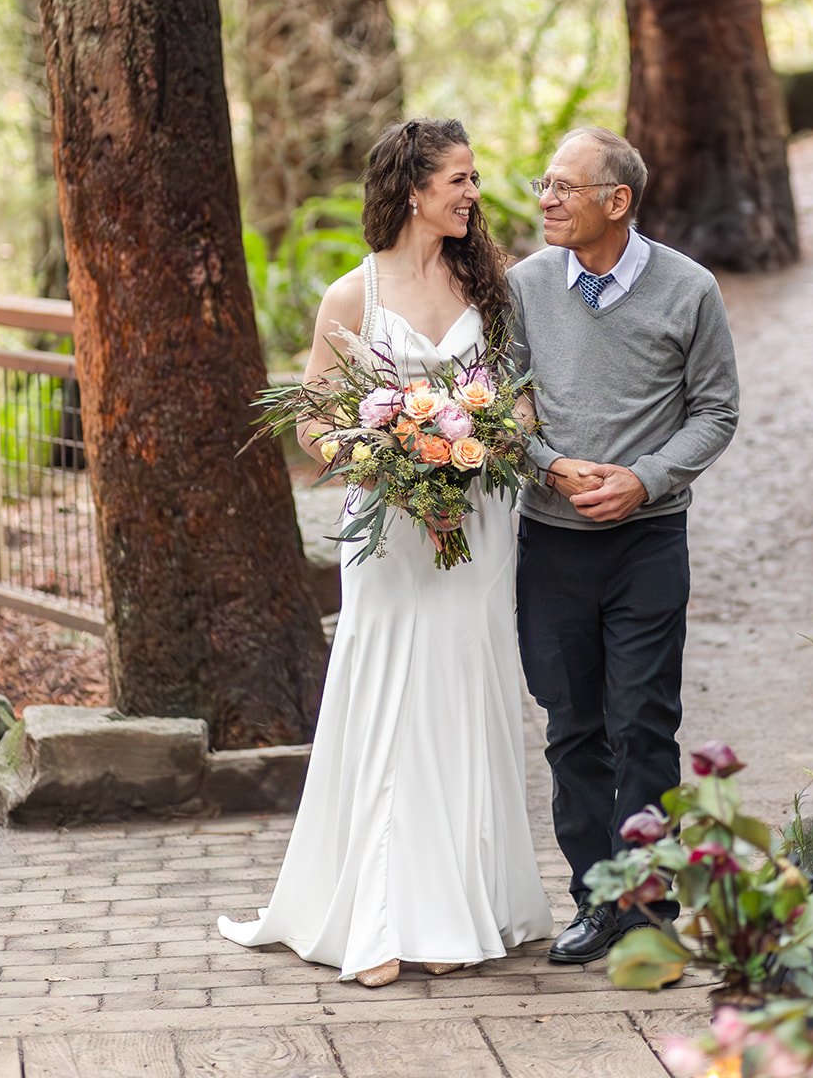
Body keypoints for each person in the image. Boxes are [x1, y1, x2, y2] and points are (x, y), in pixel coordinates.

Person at [218, 118, 552, 986]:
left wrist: (481, 446)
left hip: (477, 523)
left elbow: (518, 406)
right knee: (393, 690)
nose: (473, 194)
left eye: (474, 180)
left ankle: (458, 908)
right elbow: (315, 418)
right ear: (411, 189)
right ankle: (380, 918)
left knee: (464, 691)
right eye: (459, 180)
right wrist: (387, 463)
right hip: (391, 529)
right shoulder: (351, 298)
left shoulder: (490, 287)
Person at [507, 126, 739, 965]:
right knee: (571, 726)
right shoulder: (524, 285)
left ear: (617, 201)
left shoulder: (689, 289)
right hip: (551, 543)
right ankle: (593, 899)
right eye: (544, 183)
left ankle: (646, 908)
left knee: (642, 722)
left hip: (648, 541)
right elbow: (502, 404)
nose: (546, 199)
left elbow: (716, 410)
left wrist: (643, 479)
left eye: (565, 186)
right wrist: (551, 465)